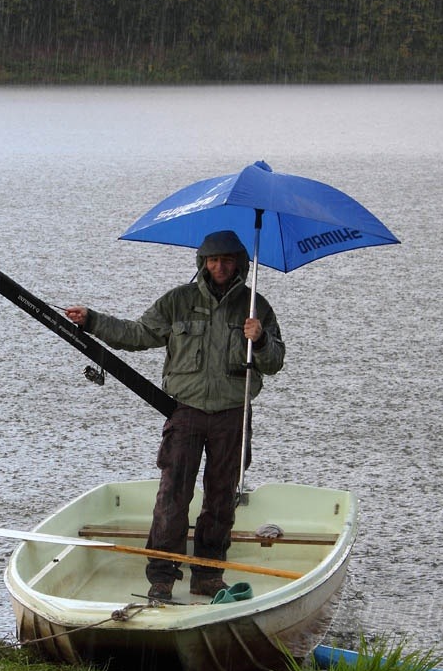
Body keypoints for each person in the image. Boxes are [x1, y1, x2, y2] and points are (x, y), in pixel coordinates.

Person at [65, 230, 284, 602]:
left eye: (227, 260)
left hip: (232, 414)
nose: (219, 266)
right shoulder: (177, 301)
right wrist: (92, 321)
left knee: (220, 499)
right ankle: (162, 577)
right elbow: (137, 333)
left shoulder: (255, 306)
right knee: (172, 496)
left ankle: (207, 576)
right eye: (213, 260)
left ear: (240, 265)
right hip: (185, 413)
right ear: (202, 262)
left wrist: (260, 339)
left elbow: (275, 361)